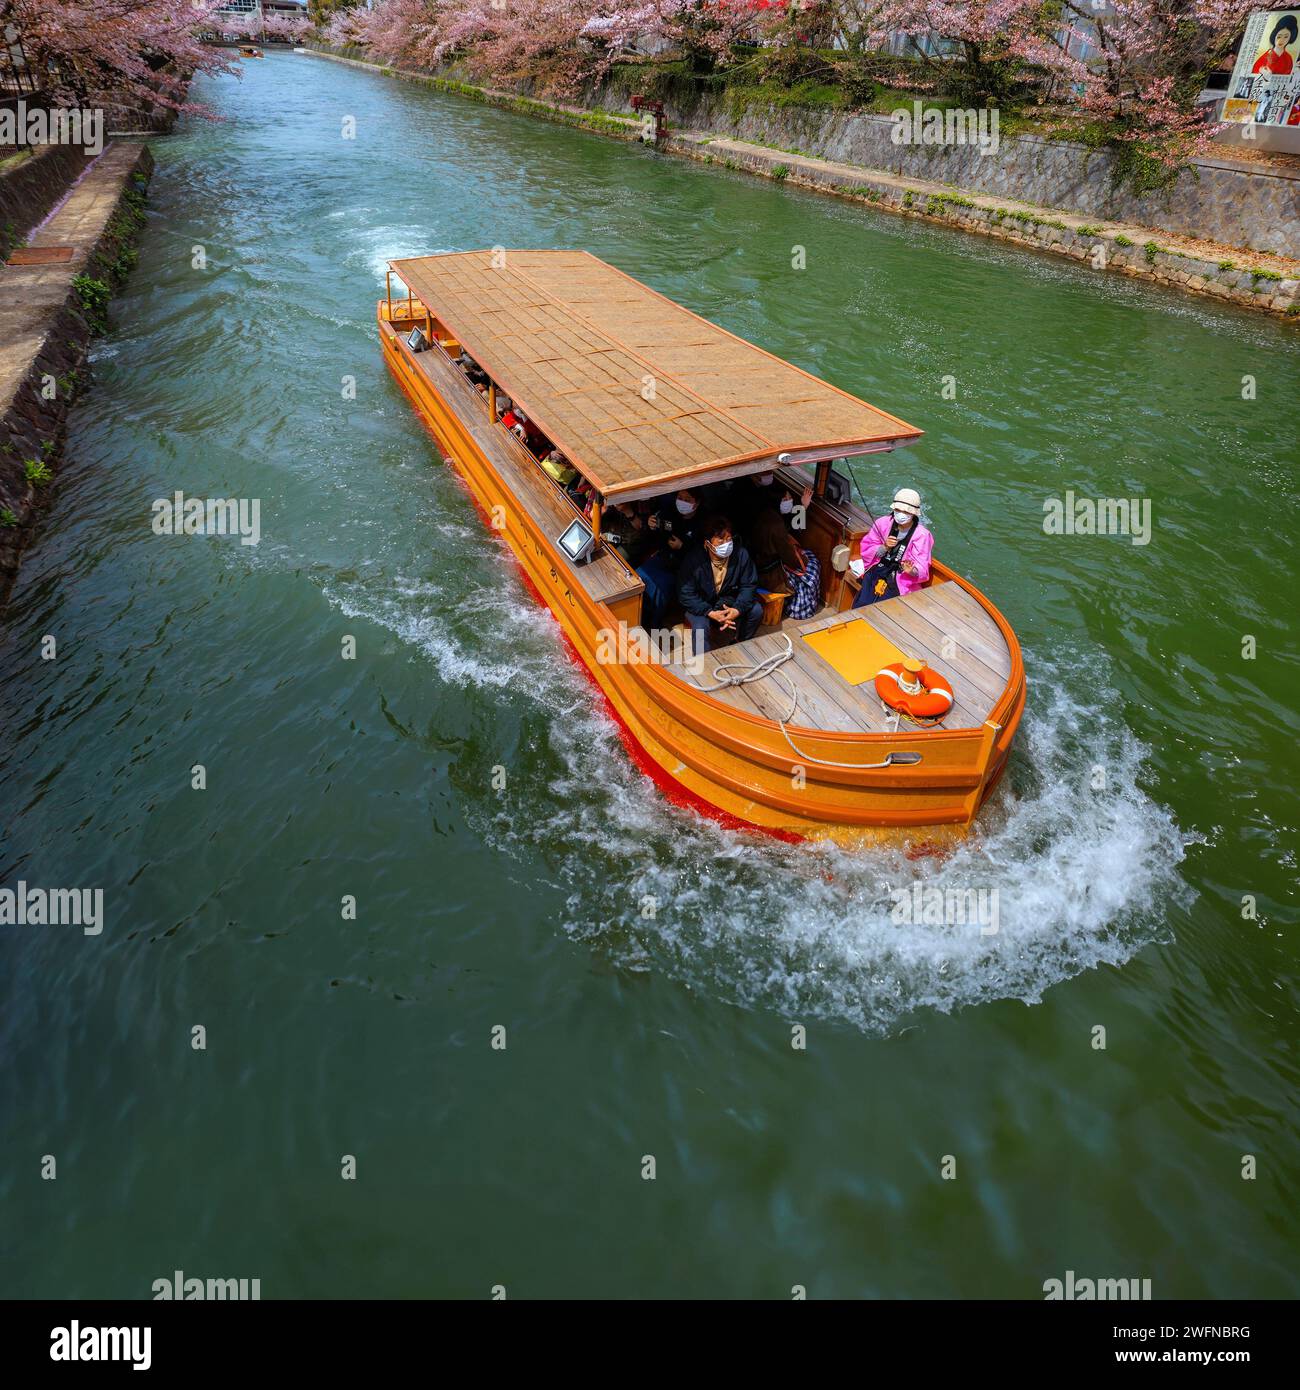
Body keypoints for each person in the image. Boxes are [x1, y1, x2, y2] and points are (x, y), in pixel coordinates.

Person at [677, 515, 762, 653]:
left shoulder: (741, 555)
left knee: (756, 611)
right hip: (703, 606)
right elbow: (686, 593)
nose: (726, 544)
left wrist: (736, 610)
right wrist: (710, 612)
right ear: (707, 544)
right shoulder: (693, 561)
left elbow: (749, 585)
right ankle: (703, 660)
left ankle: (739, 642)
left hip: (729, 603)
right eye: (721, 539)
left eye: (729, 539)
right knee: (700, 627)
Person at [851, 487, 933, 608]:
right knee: (863, 602)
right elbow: (867, 549)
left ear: (914, 513)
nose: (901, 514)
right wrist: (884, 547)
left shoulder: (922, 535)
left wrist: (912, 571)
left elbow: (922, 566)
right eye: (898, 510)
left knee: (886, 606)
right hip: (878, 567)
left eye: (906, 512)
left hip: (899, 576)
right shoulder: (883, 523)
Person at [752, 510, 822, 620]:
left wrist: (802, 508)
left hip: (757, 570)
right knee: (813, 566)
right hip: (771, 578)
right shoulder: (775, 526)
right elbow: (793, 562)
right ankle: (801, 609)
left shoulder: (759, 520)